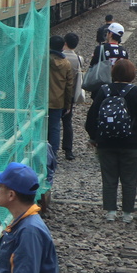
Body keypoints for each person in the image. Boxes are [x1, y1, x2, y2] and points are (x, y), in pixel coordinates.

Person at [84, 58, 137, 223]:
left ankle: (110, 211)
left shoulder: (103, 90)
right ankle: (127, 213)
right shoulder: (136, 92)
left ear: (113, 73)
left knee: (109, 178)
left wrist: (94, 137)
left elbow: (92, 116)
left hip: (106, 143)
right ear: (132, 74)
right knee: (129, 179)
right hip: (131, 144)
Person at [47, 35, 76, 182]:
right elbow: (69, 86)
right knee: (55, 128)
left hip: (42, 101)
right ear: (62, 46)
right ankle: (53, 155)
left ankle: (41, 154)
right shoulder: (66, 64)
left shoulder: (43, 60)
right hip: (57, 102)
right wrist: (68, 104)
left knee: (41, 129)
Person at [61, 33, 84, 161]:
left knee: (52, 123)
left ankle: (51, 148)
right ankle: (68, 150)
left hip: (55, 96)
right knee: (67, 123)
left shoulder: (57, 58)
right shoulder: (79, 59)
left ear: (65, 43)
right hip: (69, 97)